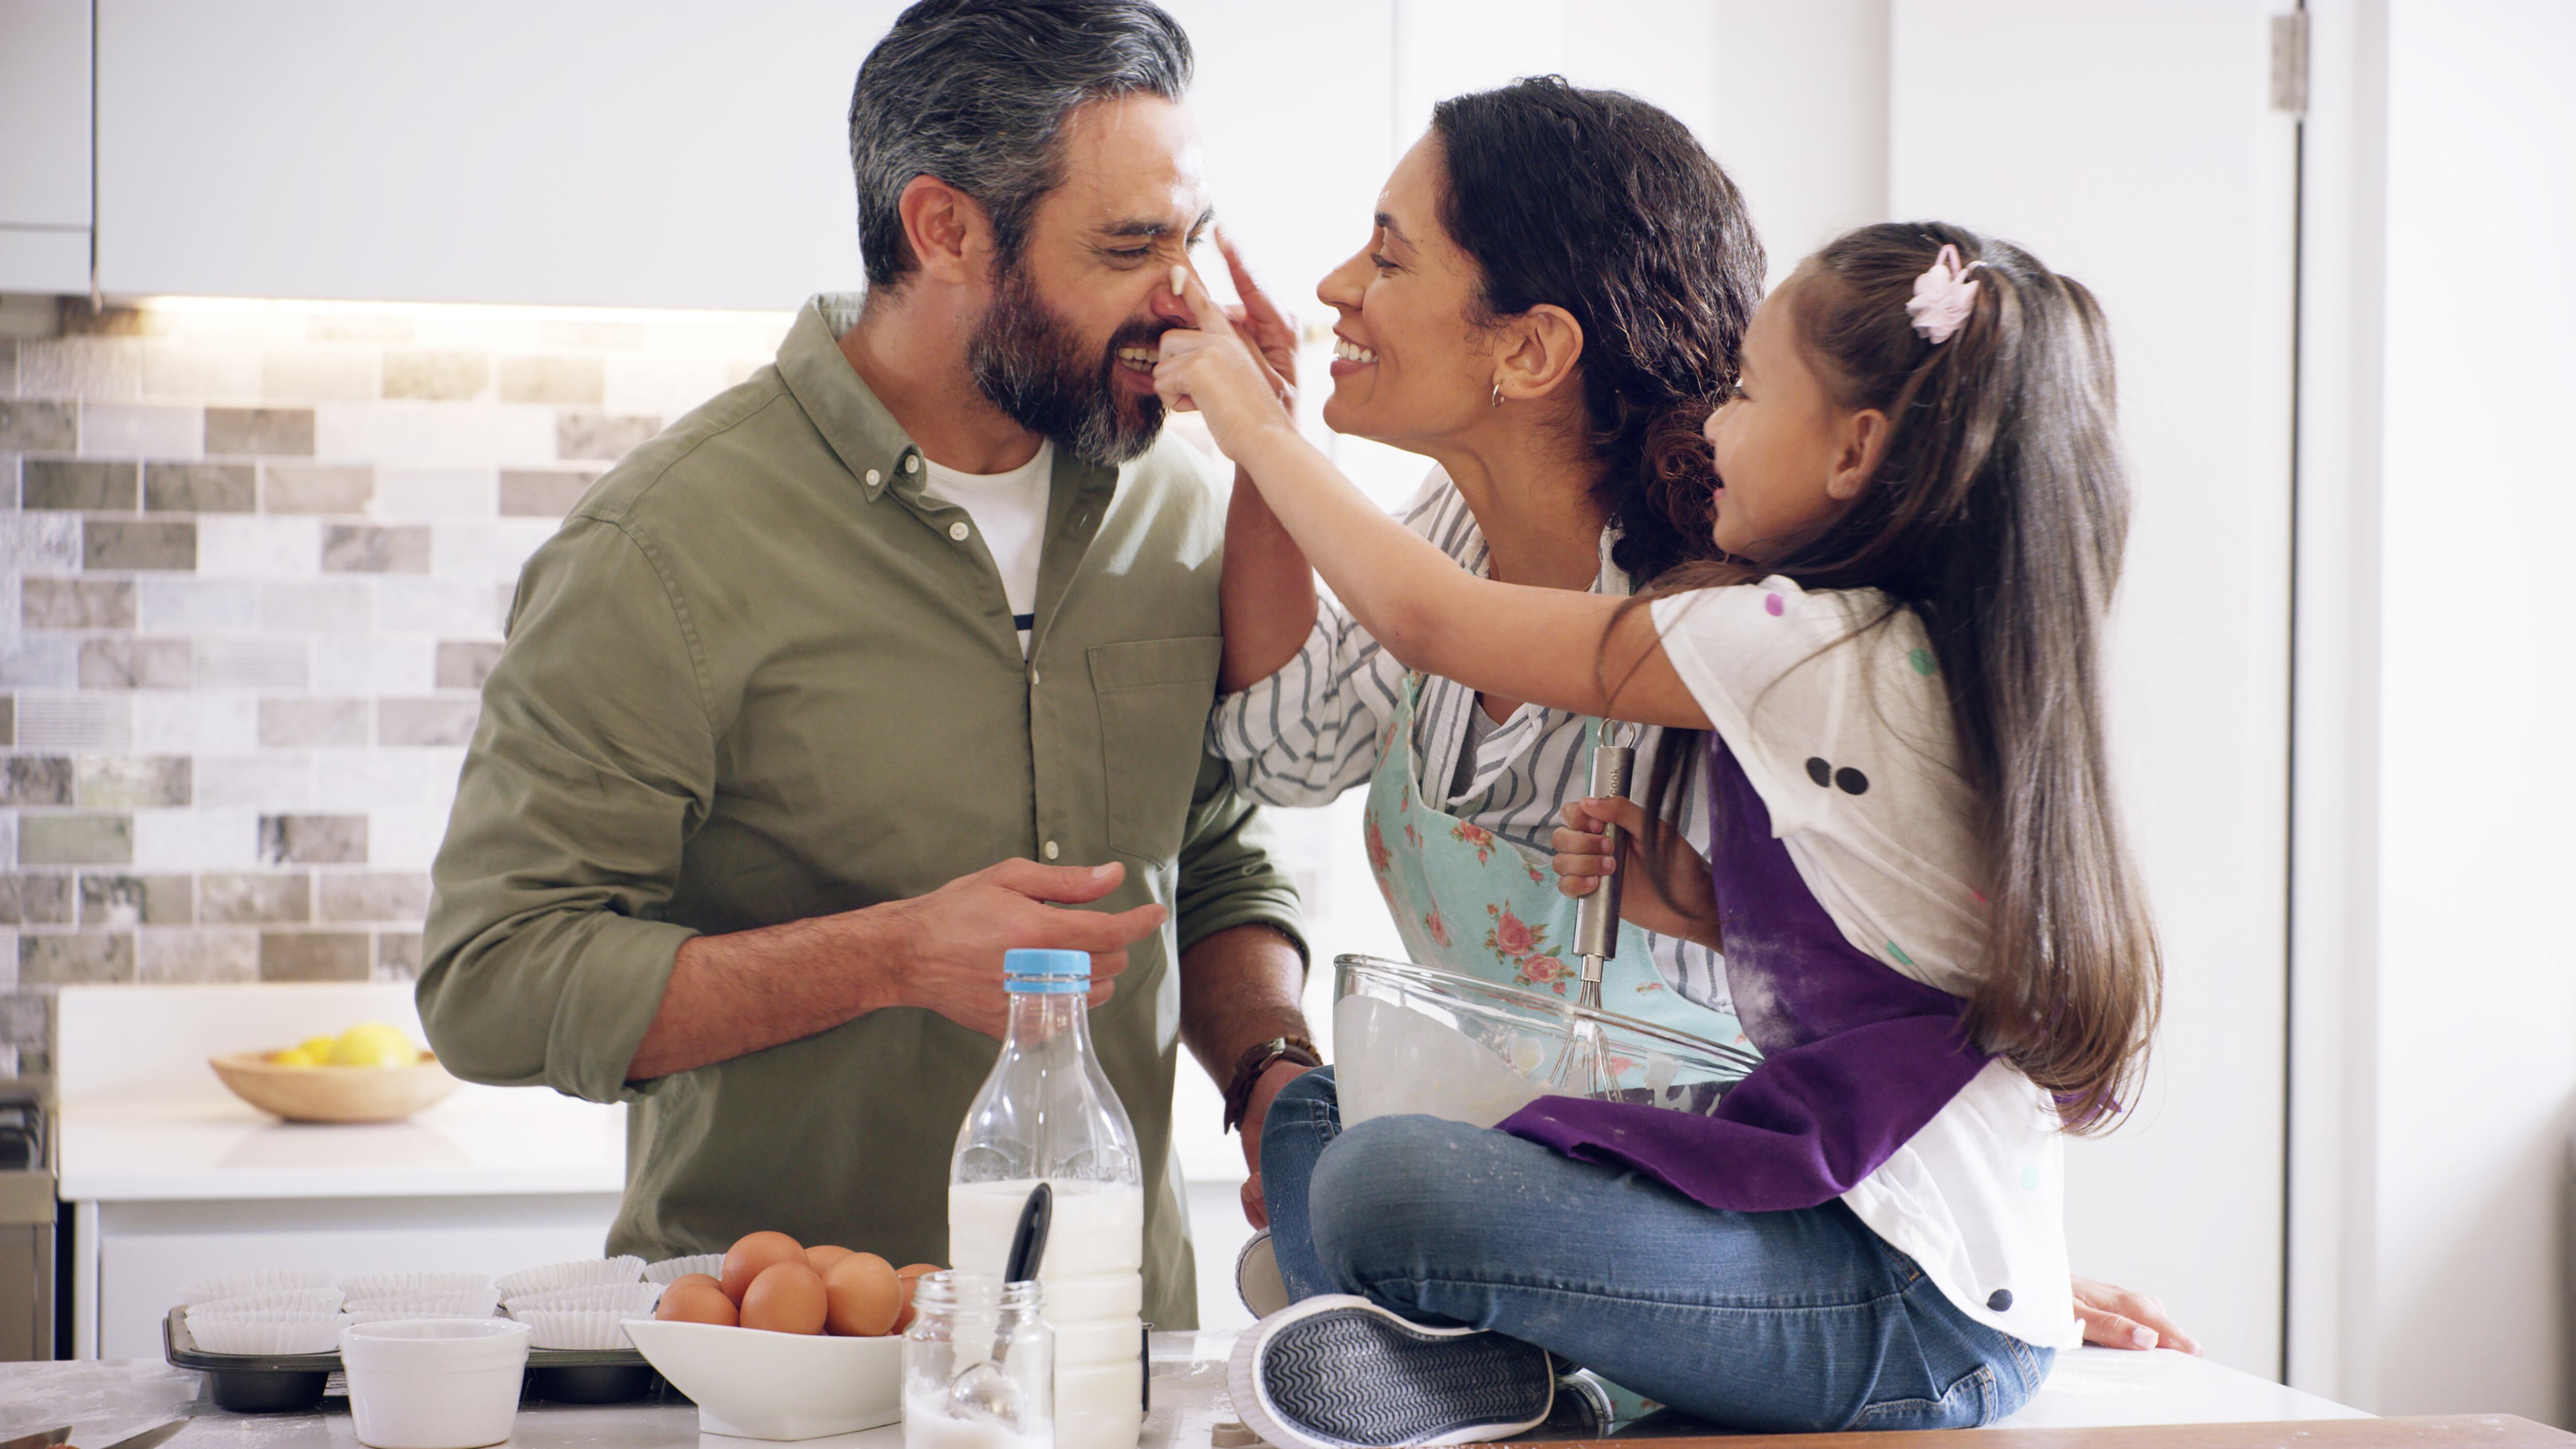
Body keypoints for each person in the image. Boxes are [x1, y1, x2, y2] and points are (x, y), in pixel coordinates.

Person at [1218, 75, 2197, 1385]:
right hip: (1699, 1209)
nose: (1714, 418)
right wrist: (1705, 907)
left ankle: (1434, 1347)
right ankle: (1460, 1356)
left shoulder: (1768, 632)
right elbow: (1880, 971)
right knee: (1330, 1117)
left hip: (1828, 1248)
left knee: (1374, 1180)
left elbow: (1431, 623)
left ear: (1530, 348)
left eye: (1745, 392)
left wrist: (1246, 419)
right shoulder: (1801, 639)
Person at [415, 0, 1315, 1334]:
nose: (1185, 298)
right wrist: (892, 955)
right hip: (793, 1367)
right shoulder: (659, 547)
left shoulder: (1180, 506)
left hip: (1119, 1354)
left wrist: (1271, 1070)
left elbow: (1212, 847)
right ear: (943, 228)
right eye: (1131, 249)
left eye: (1193, 238)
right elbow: (489, 979)